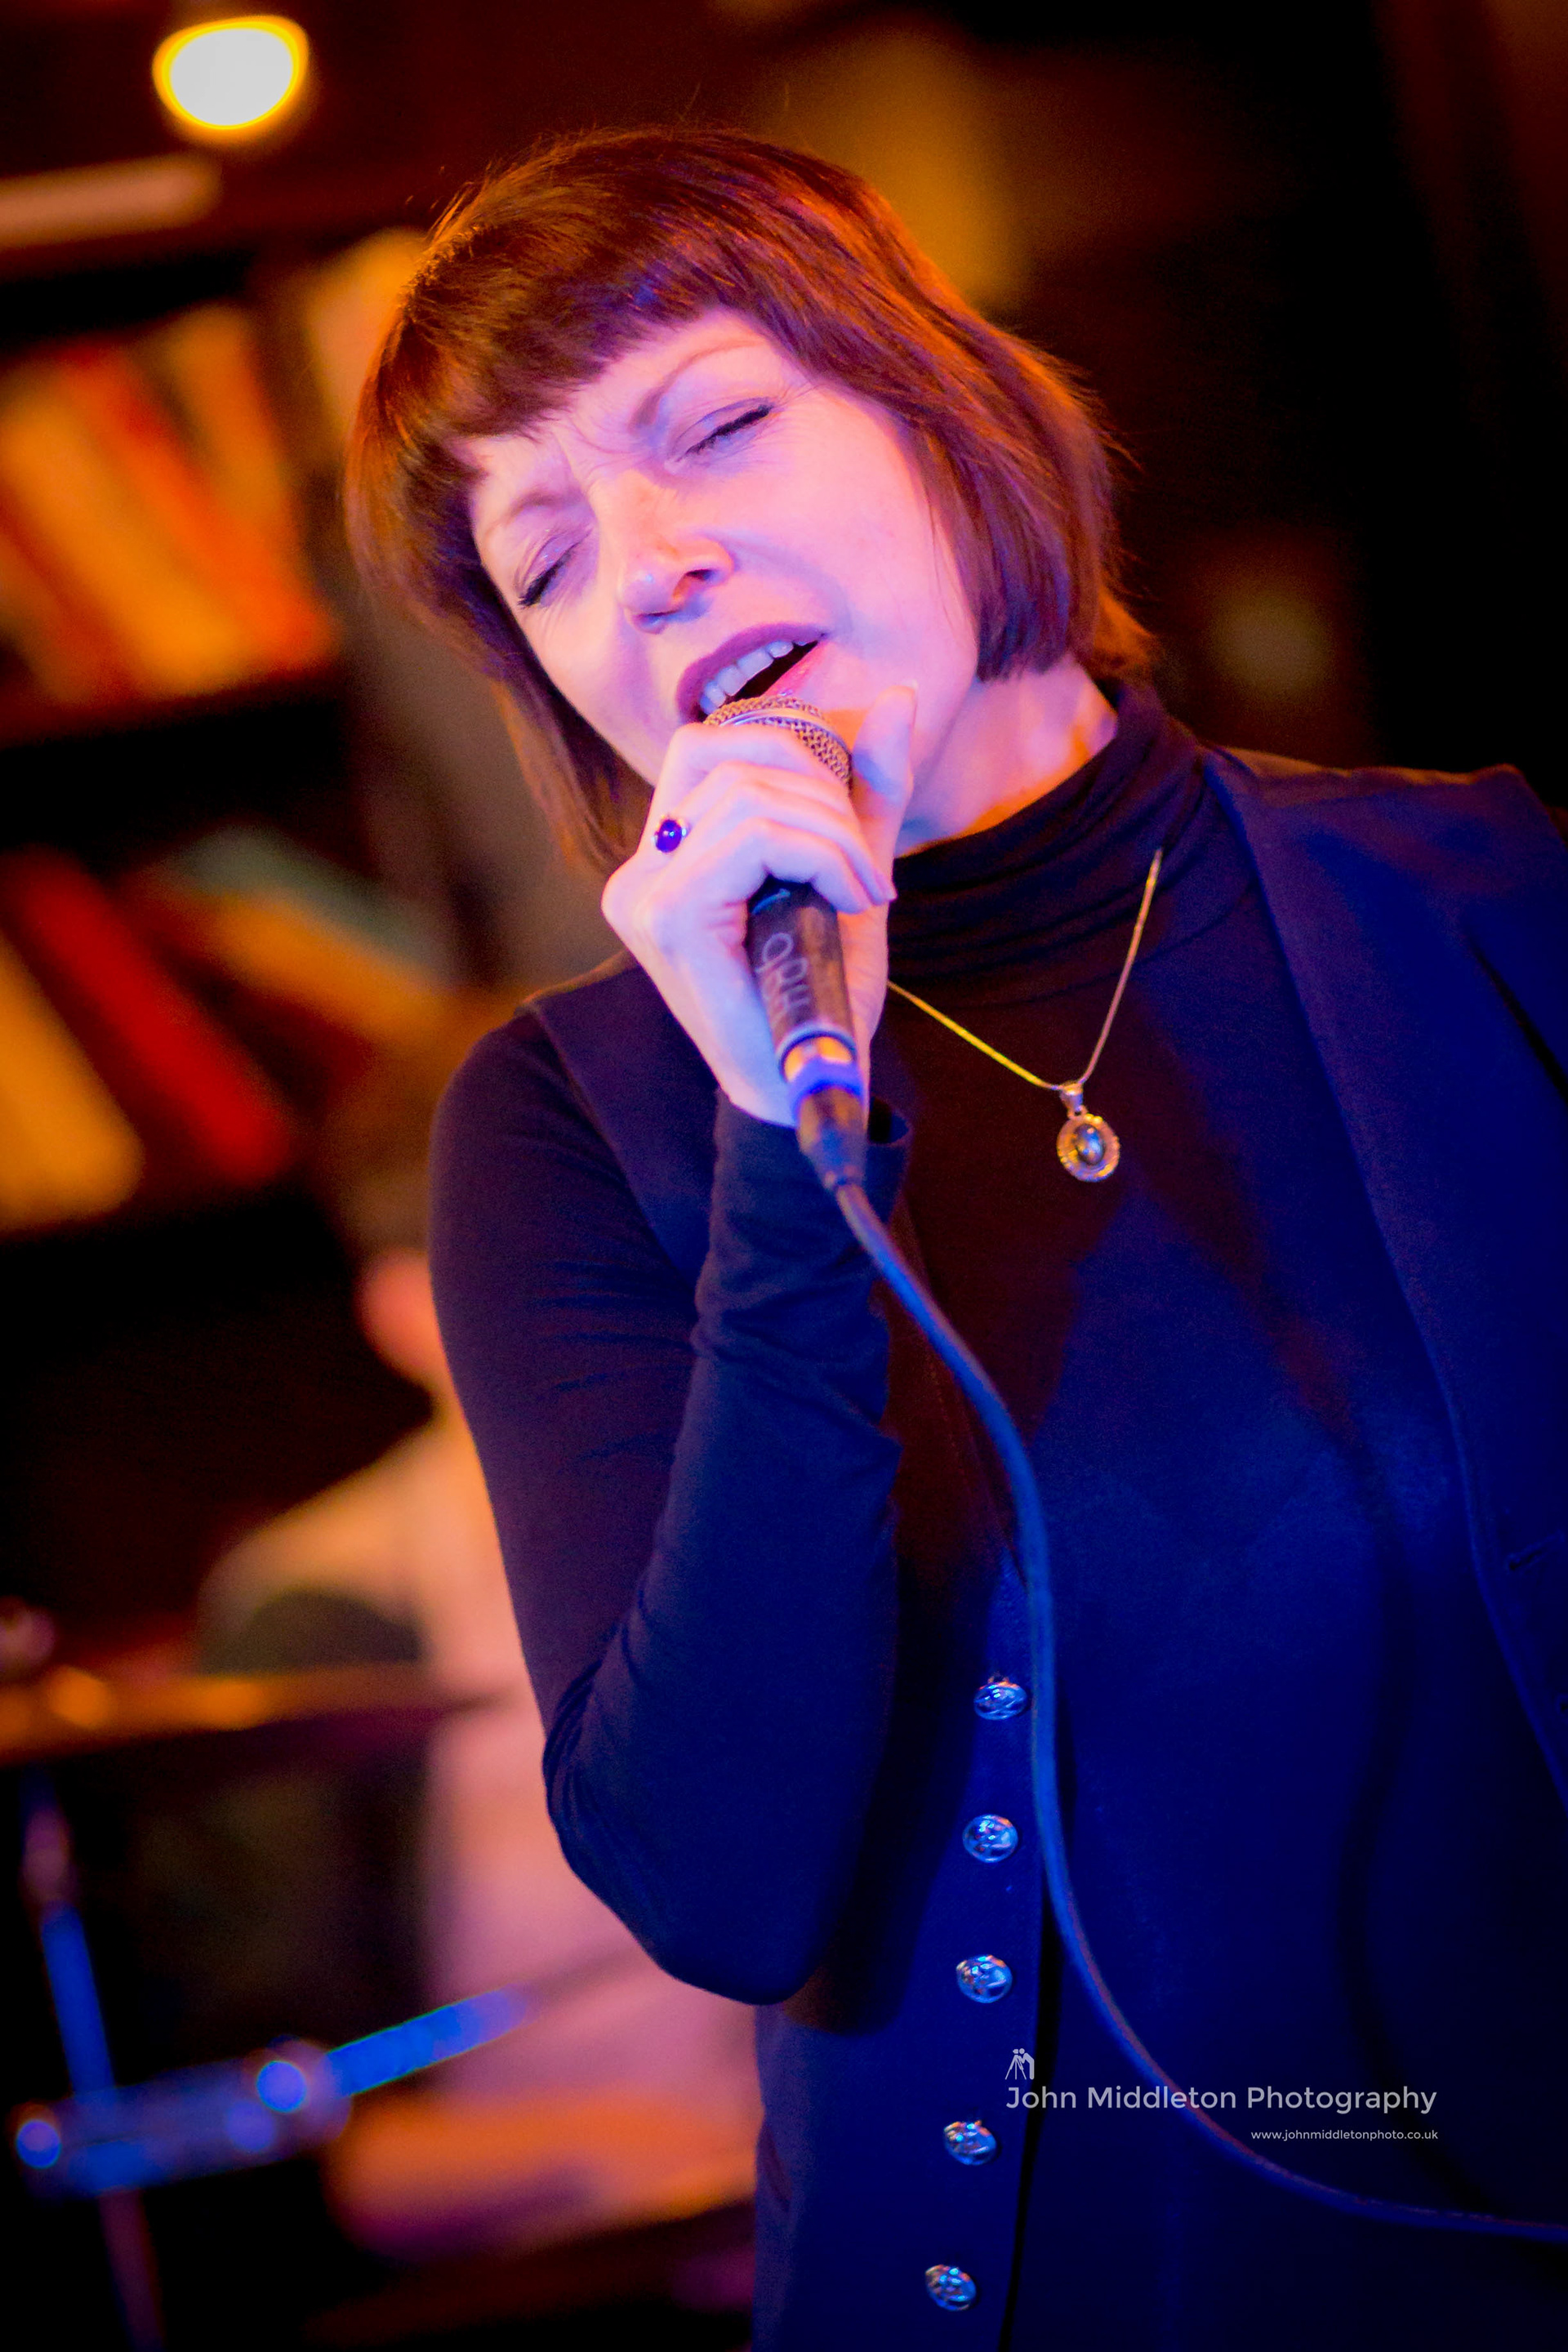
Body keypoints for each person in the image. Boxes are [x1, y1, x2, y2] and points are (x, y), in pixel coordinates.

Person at [345, 126, 1568, 2350]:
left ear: (941, 400)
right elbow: (723, 1881)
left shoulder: (1483, 897)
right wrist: (775, 1139)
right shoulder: (570, 1129)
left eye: (713, 425)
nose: (654, 567)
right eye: (549, 559)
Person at [199, 1004, 760, 2266]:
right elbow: (282, 2144)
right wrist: (611, 2151)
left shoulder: (798, 1508)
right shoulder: (319, 1613)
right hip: (568, 2273)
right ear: (405, 1312)